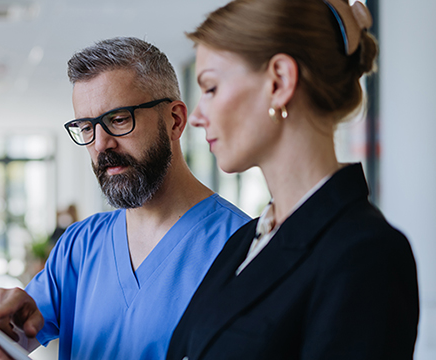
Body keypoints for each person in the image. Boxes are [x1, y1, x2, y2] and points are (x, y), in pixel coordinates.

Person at [0, 37, 251, 359]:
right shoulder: (80, 244)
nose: (101, 144)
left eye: (118, 120)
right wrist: (3, 326)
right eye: (86, 127)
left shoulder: (243, 250)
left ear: (175, 120)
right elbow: (22, 331)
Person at [166, 1, 419, 359]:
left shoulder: (367, 254)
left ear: (279, 81)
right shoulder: (245, 241)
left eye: (210, 88)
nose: (197, 117)